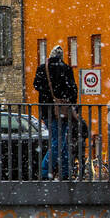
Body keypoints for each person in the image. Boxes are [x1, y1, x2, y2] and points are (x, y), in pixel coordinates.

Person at [32, 45, 79, 179]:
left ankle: (65, 172)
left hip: (47, 111)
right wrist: (71, 105)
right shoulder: (66, 69)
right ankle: (45, 171)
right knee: (58, 142)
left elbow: (36, 85)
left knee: (59, 141)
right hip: (62, 111)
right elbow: (72, 90)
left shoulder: (42, 68)